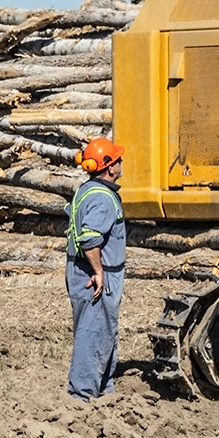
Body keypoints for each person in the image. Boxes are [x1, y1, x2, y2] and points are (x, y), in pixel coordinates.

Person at [65, 137, 126, 401]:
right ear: (109, 167)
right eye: (118, 159)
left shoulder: (87, 189)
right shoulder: (103, 198)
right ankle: (82, 395)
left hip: (78, 269)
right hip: (95, 273)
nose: (122, 162)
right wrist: (99, 272)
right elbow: (90, 237)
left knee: (102, 329)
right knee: (94, 332)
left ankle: (103, 387)